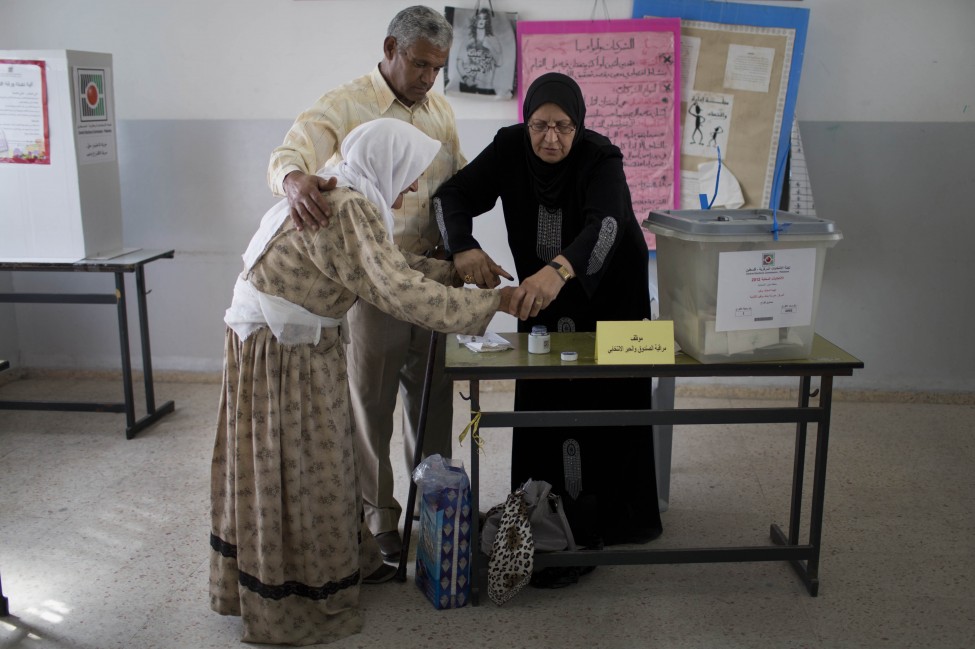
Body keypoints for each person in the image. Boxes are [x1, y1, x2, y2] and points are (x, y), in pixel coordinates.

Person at [211, 118, 533, 645]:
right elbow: (399, 293)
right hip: (284, 351)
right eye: (408, 175)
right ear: (387, 163)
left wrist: (453, 273)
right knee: (303, 467)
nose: (408, 190)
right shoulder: (348, 208)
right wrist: (491, 302)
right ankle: (296, 595)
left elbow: (388, 267)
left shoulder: (347, 196)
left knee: (326, 461)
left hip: (277, 343)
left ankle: (343, 564)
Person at [434, 72, 664, 561]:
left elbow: (606, 228)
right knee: (544, 394)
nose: (550, 138)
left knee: (611, 398)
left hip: (611, 299)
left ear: (578, 124)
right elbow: (450, 195)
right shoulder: (508, 148)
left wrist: (556, 272)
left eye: (562, 126)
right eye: (539, 125)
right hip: (542, 302)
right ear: (526, 120)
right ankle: (540, 509)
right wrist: (463, 247)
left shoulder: (601, 158)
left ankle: (614, 517)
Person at [266, 5, 465, 564]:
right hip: (374, 279)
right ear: (390, 49)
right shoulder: (345, 104)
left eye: (437, 69)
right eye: (420, 65)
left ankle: (434, 508)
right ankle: (380, 521)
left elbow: (457, 186)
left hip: (427, 272)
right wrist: (295, 178)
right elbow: (287, 155)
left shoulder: (440, 112)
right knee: (371, 403)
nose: (428, 79)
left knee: (432, 400)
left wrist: (463, 247)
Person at [457, 7, 503, 95]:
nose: (481, 21)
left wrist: (490, 47)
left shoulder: (492, 40)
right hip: (467, 85)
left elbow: (500, 62)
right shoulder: (467, 40)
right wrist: (466, 79)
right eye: (479, 18)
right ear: (475, 20)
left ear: (487, 21)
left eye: (484, 18)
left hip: (485, 86)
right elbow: (459, 62)